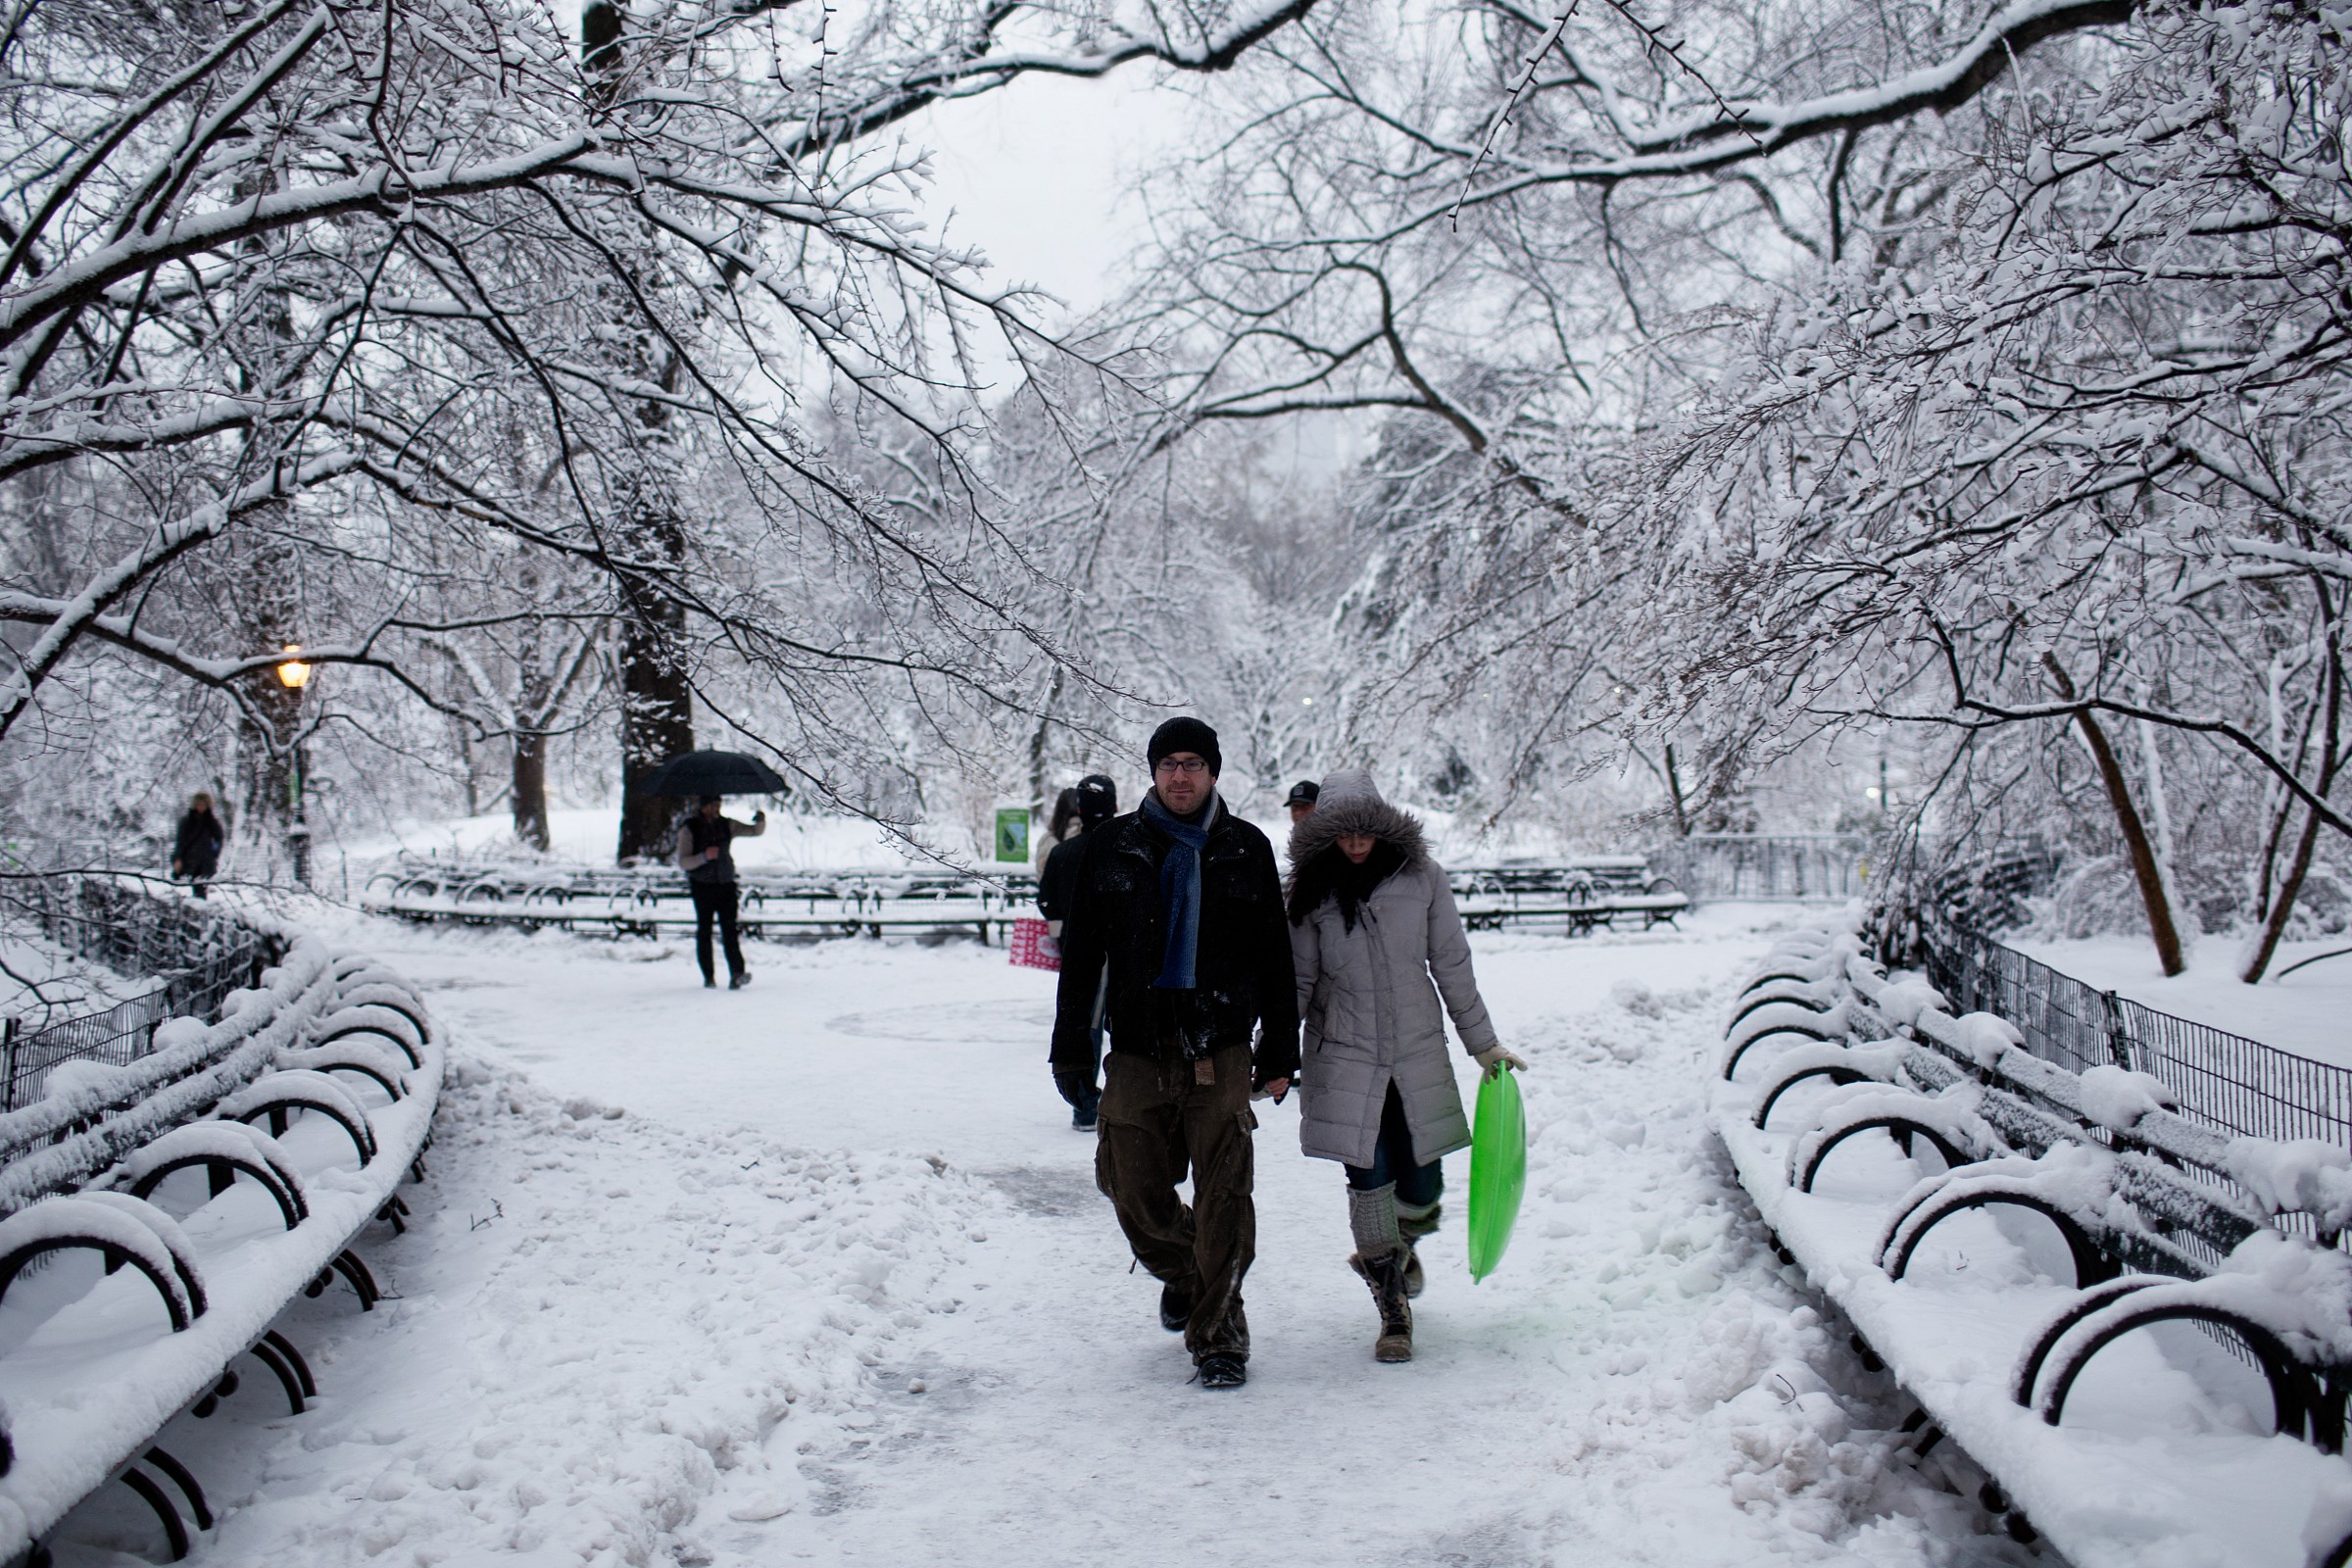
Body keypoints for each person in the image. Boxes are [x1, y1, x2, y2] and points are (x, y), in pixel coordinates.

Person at [1052, 718, 1298, 1390]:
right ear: (1153, 771)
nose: (1180, 776)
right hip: (1138, 1048)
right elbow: (1082, 958)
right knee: (1129, 1187)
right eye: (1169, 763)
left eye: (1193, 763)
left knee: (1225, 1196)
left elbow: (1274, 958)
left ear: (1212, 772)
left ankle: (1220, 1337)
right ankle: (1188, 1273)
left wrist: (1281, 1046)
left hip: (1221, 1048)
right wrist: (1070, 1051)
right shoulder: (1113, 845)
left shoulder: (1245, 847)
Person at [1285, 768, 1526, 1363]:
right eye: (1343, 834)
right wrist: (1272, 1055)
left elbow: (1452, 964)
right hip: (1343, 1056)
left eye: (1366, 832)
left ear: (1385, 827)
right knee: (1370, 1179)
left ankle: (1398, 1243)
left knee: (1423, 1184)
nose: (1356, 844)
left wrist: (1484, 1044)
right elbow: (1298, 981)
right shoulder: (1309, 891)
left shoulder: (1423, 878)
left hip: (1416, 1051)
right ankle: (1393, 1308)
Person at [1037, 774, 1117, 1131]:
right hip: (1125, 948)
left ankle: (1085, 1104)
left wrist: (1065, 930)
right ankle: (1127, 1101)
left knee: (1086, 1023)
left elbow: (1046, 901)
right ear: (1114, 806)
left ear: (1079, 810)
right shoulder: (1127, 848)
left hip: (1077, 949)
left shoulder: (1063, 852)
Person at [675, 796, 765, 989]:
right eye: (712, 805)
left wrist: (760, 820)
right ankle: (708, 976)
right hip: (702, 886)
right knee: (705, 931)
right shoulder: (690, 829)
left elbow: (753, 831)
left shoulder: (726, 825)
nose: (716, 808)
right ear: (703, 807)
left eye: (718, 804)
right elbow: (683, 861)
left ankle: (737, 973)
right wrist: (703, 857)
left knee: (730, 930)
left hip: (725, 884)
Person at [172, 793, 224, 898]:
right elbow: (181, 841)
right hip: (190, 859)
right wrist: (178, 858)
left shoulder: (212, 823)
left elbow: (218, 839)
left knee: (201, 887)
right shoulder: (187, 821)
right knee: (190, 886)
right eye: (199, 804)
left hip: (206, 861)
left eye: (204, 805)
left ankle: (200, 904)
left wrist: (213, 854)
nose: (201, 807)